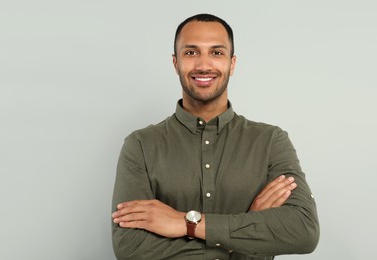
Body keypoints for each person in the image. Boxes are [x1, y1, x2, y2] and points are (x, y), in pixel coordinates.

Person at [111, 13, 319, 260]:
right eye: (191, 52)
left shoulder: (271, 141)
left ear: (232, 64)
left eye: (217, 52)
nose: (203, 65)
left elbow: (303, 230)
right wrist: (246, 232)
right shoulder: (141, 145)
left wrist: (186, 223)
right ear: (175, 63)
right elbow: (130, 247)